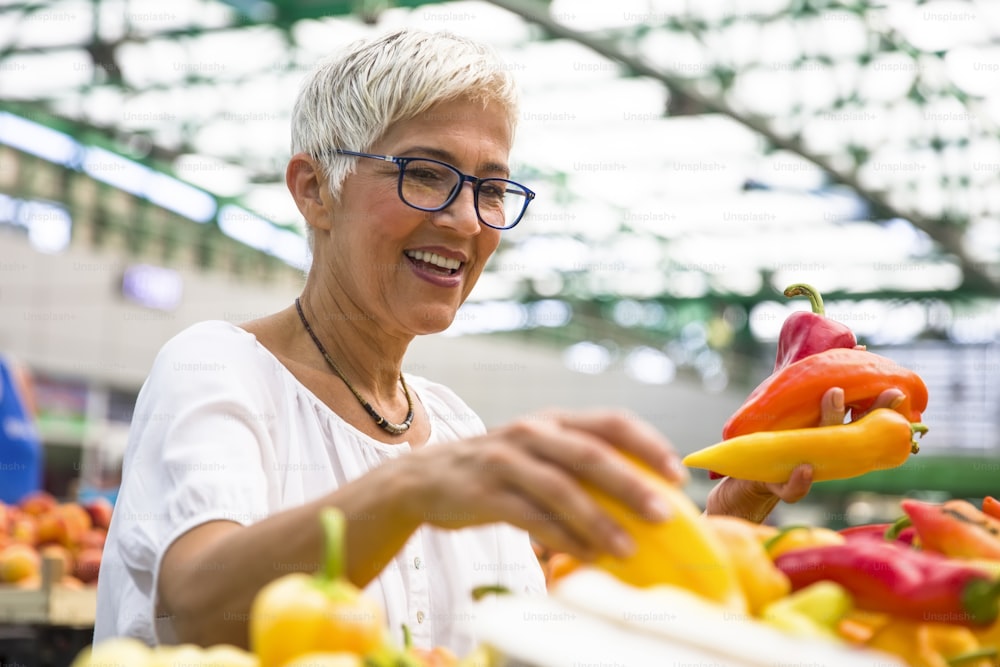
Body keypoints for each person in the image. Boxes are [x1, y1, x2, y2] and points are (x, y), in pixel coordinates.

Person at [93, 28, 902, 656]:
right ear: (315, 189)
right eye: (425, 173)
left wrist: (738, 504)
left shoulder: (456, 427)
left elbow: (550, 638)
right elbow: (198, 600)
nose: (466, 220)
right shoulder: (218, 367)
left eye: (490, 187)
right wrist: (408, 489)